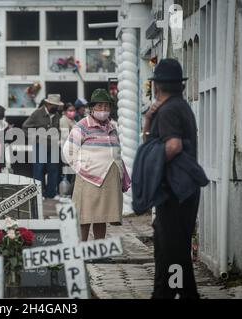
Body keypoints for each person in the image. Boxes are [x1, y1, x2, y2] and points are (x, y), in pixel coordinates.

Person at [140, 59, 203, 299]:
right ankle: (178, 294)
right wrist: (148, 120)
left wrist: (151, 166)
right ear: (181, 86)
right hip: (182, 191)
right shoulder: (180, 106)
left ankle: (169, 294)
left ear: (157, 86)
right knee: (175, 252)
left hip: (174, 193)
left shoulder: (168, 111)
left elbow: (173, 146)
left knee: (171, 253)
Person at [63, 89, 131, 241]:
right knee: (84, 217)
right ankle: (81, 250)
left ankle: (98, 251)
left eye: (106, 107)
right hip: (88, 178)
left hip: (108, 179)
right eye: (100, 106)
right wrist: (82, 169)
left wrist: (122, 173)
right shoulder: (82, 126)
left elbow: (117, 151)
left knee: (101, 216)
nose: (103, 110)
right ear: (92, 108)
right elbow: (68, 151)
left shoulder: (112, 127)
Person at [22, 94, 62, 199]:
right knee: (38, 169)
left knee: (53, 169)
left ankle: (51, 193)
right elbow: (25, 127)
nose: (56, 107)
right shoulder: (37, 113)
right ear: (48, 104)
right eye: (54, 105)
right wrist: (37, 137)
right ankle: (38, 193)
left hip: (53, 146)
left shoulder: (57, 115)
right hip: (40, 145)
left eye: (57, 105)